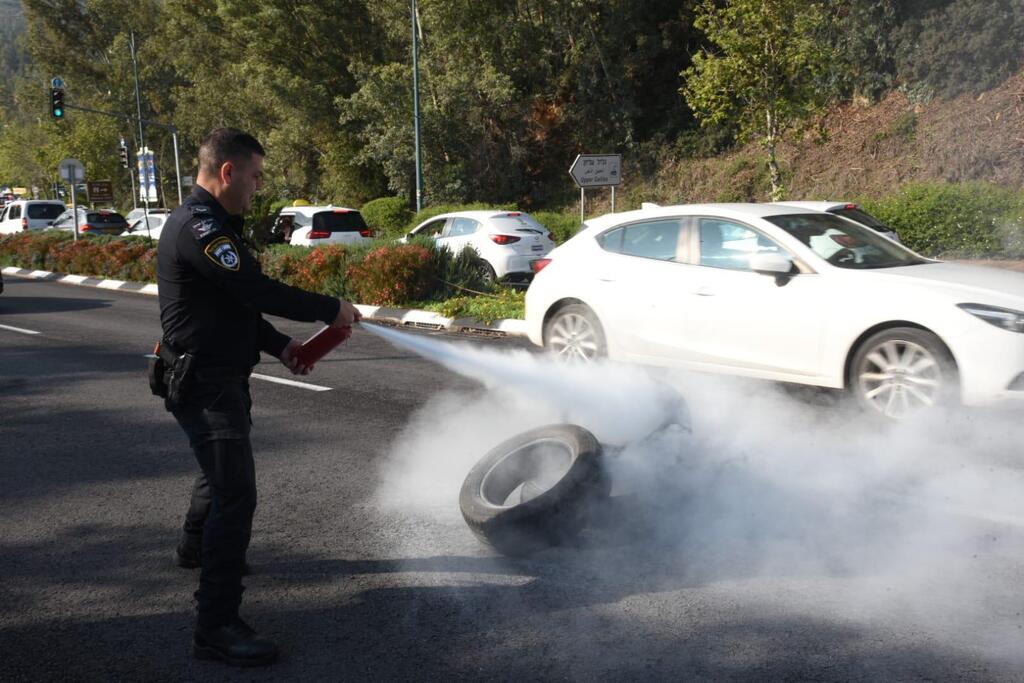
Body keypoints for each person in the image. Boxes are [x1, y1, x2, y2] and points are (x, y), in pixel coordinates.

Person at [156, 127, 361, 666]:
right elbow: (256, 291)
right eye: (254, 175)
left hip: (217, 376)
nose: (258, 185)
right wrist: (328, 307)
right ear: (227, 172)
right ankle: (215, 626)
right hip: (205, 383)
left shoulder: (214, 225)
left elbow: (236, 309)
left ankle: (194, 549)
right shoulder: (201, 229)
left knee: (215, 473)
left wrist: (280, 346)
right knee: (235, 494)